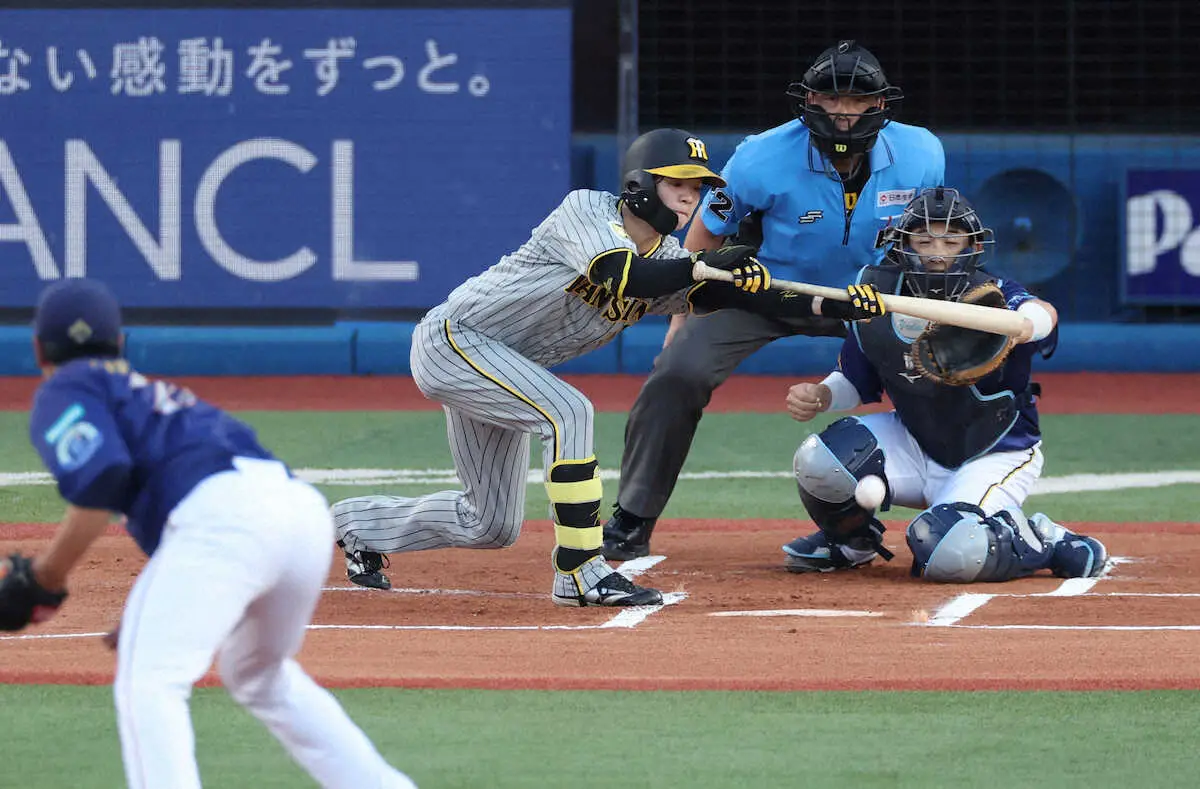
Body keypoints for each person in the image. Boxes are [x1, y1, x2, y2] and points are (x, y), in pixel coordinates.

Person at [330, 128, 886, 604]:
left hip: (506, 365)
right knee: (569, 412)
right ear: (640, 184)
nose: (691, 198)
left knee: (489, 523)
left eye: (697, 188)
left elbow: (749, 300)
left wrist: (834, 303)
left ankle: (356, 525)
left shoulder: (670, 261)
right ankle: (580, 570)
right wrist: (704, 267)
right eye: (678, 184)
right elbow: (625, 277)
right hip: (457, 340)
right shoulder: (588, 211)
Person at [0, 279, 417, 788]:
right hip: (298, 515)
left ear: (40, 348)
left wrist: (44, 579)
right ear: (121, 344)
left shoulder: (66, 387)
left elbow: (104, 480)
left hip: (226, 524)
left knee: (149, 682)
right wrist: (155, 608)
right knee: (258, 675)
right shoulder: (158, 397)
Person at [602, 40, 946, 562]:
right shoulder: (759, 157)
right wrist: (679, 323)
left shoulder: (922, 154)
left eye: (856, 101)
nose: (844, 113)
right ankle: (632, 518)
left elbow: (928, 240)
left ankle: (900, 519)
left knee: (935, 376)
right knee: (677, 374)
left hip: (867, 300)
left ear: (880, 104)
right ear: (807, 101)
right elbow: (703, 241)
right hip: (765, 293)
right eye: (831, 99)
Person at [780, 187, 1108, 583]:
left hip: (994, 451)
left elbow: (1043, 315)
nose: (937, 250)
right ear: (902, 244)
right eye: (924, 239)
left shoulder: (994, 297)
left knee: (948, 552)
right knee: (820, 459)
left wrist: (1027, 323)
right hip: (916, 442)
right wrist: (822, 395)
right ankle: (851, 543)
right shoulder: (877, 294)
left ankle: (1044, 540)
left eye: (951, 241)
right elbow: (855, 379)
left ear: (970, 246)